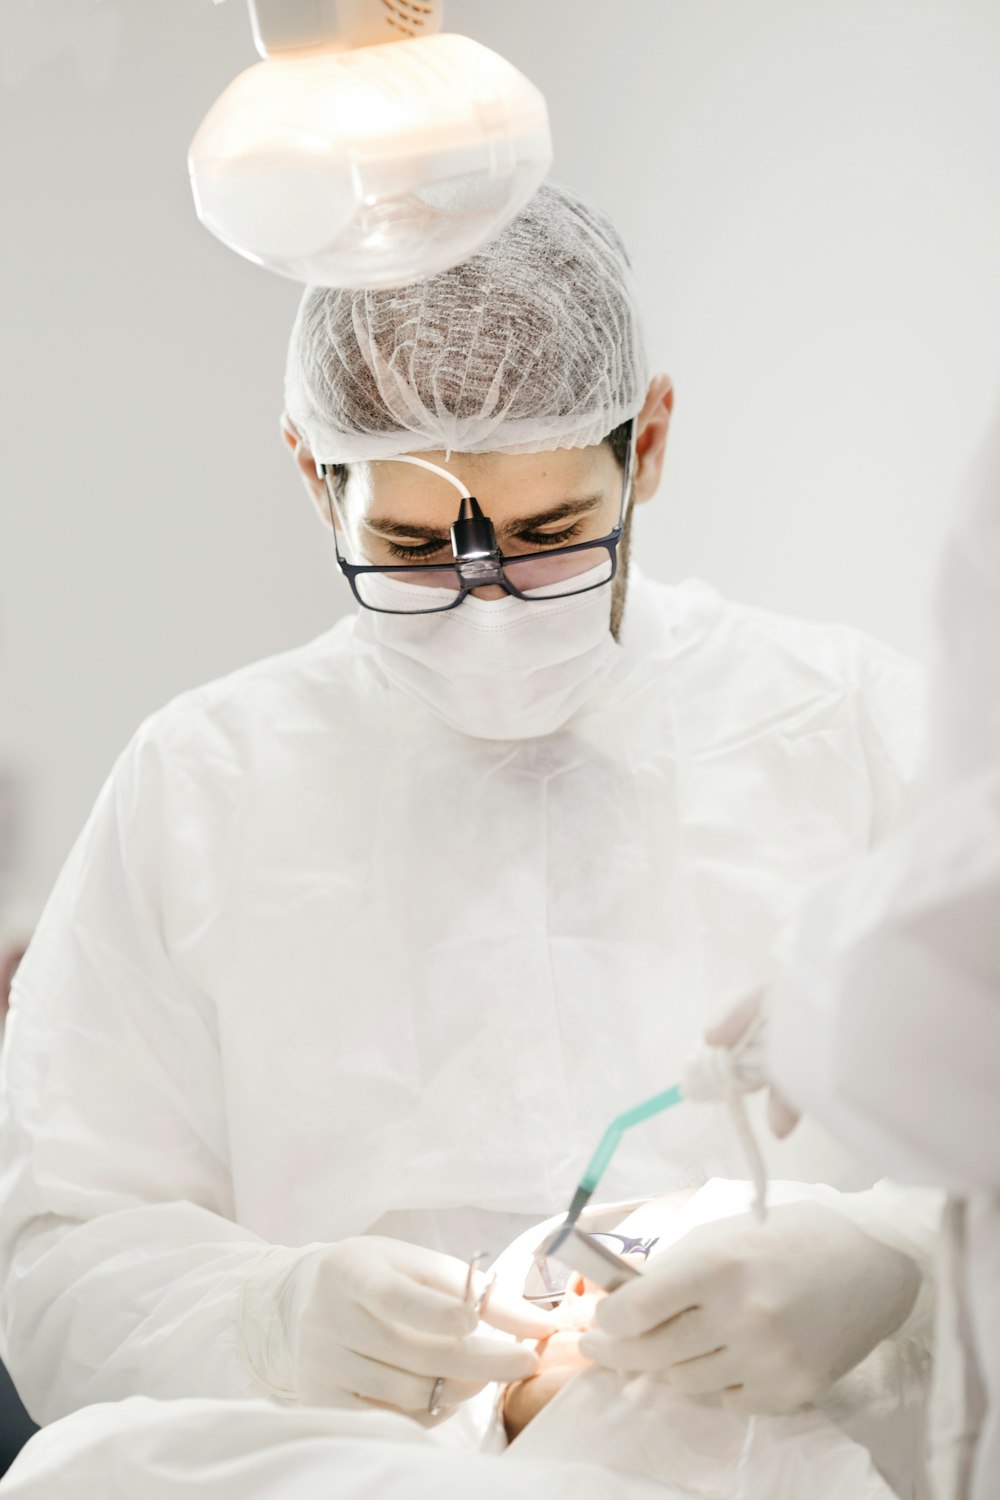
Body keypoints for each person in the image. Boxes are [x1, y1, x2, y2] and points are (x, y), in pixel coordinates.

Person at [0, 183, 931, 1431]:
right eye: (410, 551)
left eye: (549, 536)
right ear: (313, 477)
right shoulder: (203, 782)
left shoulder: (860, 730)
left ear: (645, 446)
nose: (486, 606)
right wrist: (266, 1319)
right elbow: (61, 1244)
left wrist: (898, 1263)